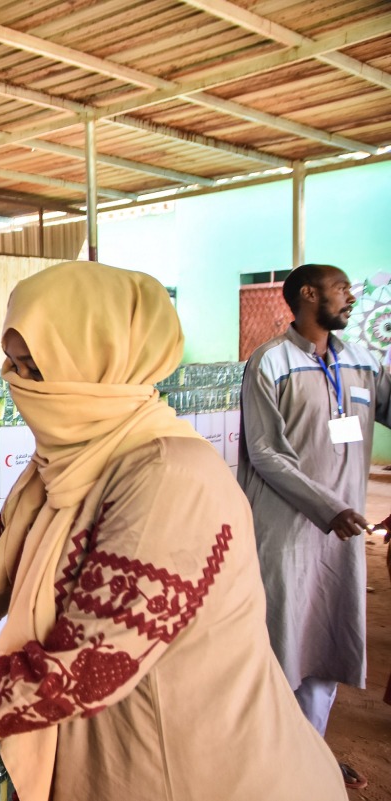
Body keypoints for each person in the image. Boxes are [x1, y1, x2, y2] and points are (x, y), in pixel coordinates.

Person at [0, 261, 346, 801]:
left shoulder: (169, 478)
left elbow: (87, 669)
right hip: (110, 761)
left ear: (99, 365)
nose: (13, 380)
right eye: (11, 361)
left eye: (34, 367)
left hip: (199, 771)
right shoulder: (59, 469)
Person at [238, 263, 391, 790]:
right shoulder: (270, 363)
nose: (350, 297)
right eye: (341, 288)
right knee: (283, 644)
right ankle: (270, 764)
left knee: (328, 639)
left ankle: (311, 754)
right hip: (288, 533)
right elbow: (265, 453)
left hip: (344, 535)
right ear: (308, 295)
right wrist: (328, 507)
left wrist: (340, 514)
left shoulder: (363, 361)